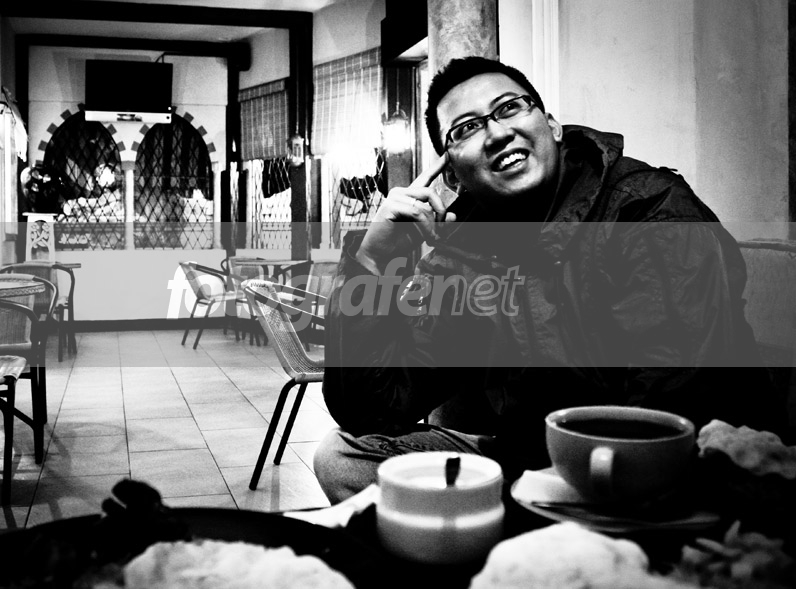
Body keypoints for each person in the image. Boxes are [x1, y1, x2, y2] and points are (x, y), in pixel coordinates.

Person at [313, 56, 784, 505]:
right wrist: (373, 261)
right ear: (451, 174)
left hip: (673, 469)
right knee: (343, 456)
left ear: (553, 126)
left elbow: (670, 411)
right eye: (467, 128)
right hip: (531, 460)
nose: (497, 132)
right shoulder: (463, 249)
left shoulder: (647, 209)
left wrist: (545, 486)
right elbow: (373, 409)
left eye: (509, 108)